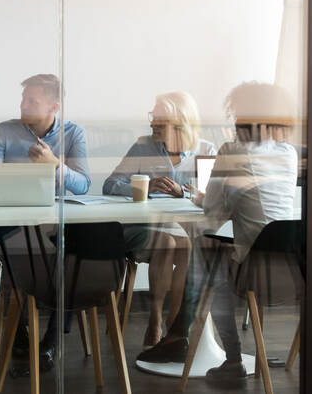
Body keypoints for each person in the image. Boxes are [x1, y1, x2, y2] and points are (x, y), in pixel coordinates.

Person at [138, 82, 298, 382]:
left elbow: (212, 213)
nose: (233, 121)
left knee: (204, 252)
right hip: (291, 267)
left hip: (251, 269)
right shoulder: (288, 154)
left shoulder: (233, 151)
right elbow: (239, 201)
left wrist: (203, 200)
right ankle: (178, 336)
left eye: (236, 114)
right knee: (206, 251)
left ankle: (225, 356)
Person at [0, 74, 90, 372]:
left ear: (54, 105)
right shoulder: (5, 131)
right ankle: (20, 332)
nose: (23, 105)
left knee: (72, 256)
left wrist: (53, 165)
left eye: (32, 101)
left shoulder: (74, 134)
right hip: (9, 224)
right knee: (26, 251)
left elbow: (83, 185)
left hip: (53, 226)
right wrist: (22, 184)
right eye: (23, 99)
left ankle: (51, 342)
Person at [103, 91, 215, 347]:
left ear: (180, 122)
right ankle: (156, 320)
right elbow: (110, 185)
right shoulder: (143, 146)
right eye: (153, 117)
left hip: (186, 229)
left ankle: (174, 323)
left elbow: (214, 197)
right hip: (146, 227)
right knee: (168, 242)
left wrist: (184, 192)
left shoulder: (206, 150)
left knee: (183, 244)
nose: (152, 124)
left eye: (159, 120)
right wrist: (144, 186)